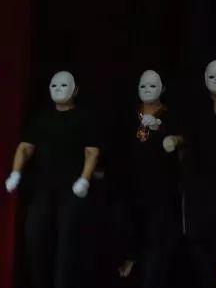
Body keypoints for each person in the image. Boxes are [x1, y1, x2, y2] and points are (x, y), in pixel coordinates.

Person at [4, 71, 101, 288]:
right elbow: (25, 148)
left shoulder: (85, 118)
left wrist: (84, 180)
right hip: (42, 190)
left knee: (67, 245)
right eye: (54, 85)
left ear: (75, 90)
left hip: (71, 191)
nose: (58, 89)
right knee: (35, 238)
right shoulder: (41, 118)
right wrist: (16, 173)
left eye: (63, 85)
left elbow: (92, 152)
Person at [171, 60, 216, 287]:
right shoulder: (196, 106)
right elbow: (187, 135)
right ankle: (206, 273)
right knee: (196, 229)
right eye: (212, 76)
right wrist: (176, 142)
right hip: (196, 173)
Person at [112, 70, 184, 288]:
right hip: (132, 184)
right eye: (143, 86)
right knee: (126, 224)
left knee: (157, 237)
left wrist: (165, 133)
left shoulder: (171, 115)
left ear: (162, 89)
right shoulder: (129, 114)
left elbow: (182, 139)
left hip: (161, 185)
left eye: (152, 86)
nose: (147, 90)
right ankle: (131, 256)